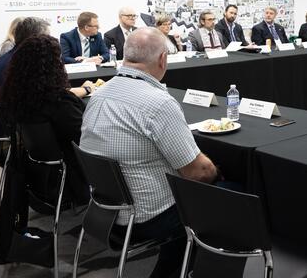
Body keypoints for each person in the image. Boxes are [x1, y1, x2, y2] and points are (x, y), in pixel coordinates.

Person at [79, 28, 219, 278]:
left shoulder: (98, 96)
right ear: (163, 59)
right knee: (226, 194)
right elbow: (200, 173)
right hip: (146, 219)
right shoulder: (158, 103)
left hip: (103, 210)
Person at [1, 35, 92, 204]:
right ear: (54, 65)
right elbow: (83, 137)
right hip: (71, 172)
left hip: (36, 171)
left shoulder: (18, 94)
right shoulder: (59, 102)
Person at [0, 17, 51, 105]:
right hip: (8, 111)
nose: (50, 42)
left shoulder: (8, 57)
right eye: (47, 38)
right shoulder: (23, 63)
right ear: (35, 39)